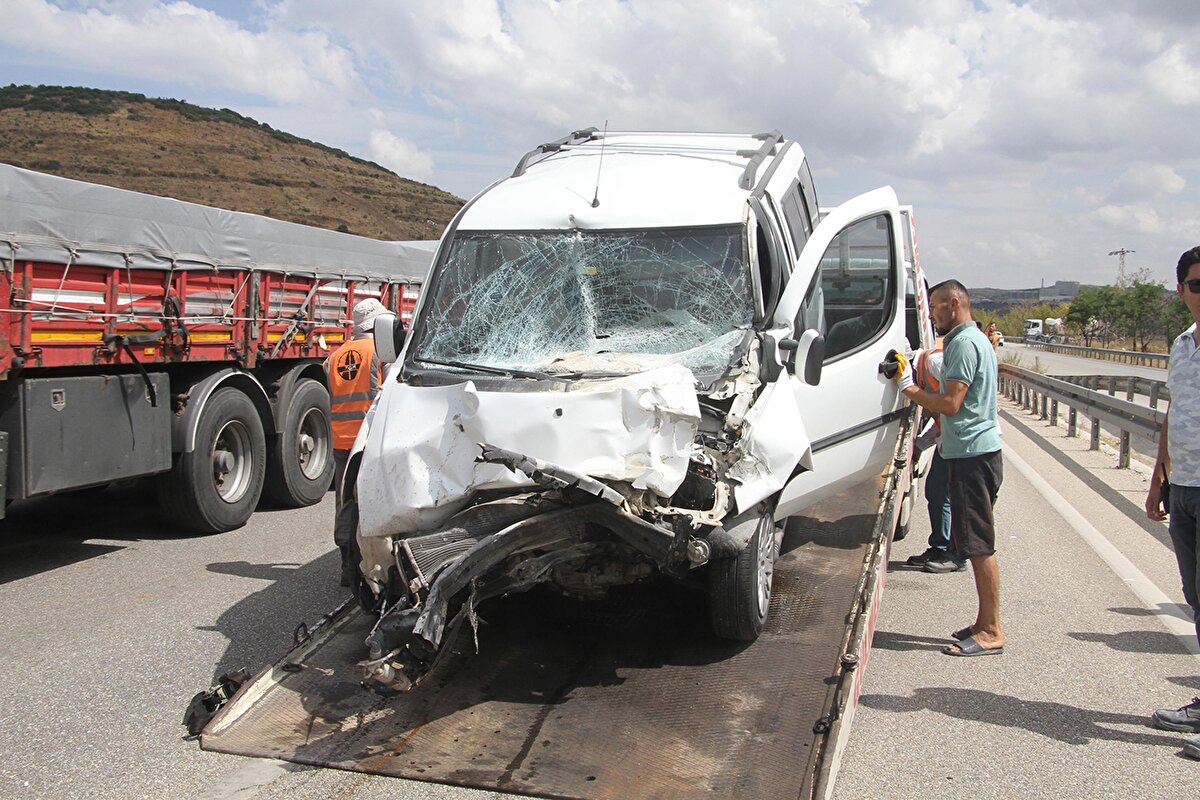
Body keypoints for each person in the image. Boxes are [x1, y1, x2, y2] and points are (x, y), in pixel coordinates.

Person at [891, 280, 1004, 656]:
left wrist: (908, 388)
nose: (932, 316)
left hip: (972, 456)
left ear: (954, 304)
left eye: (936, 307)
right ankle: (983, 622)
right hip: (973, 452)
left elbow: (951, 404)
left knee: (978, 546)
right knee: (974, 542)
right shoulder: (975, 341)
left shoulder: (962, 344)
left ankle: (990, 630)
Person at [1145, 245, 1200, 758]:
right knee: (1196, 597)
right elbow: (1174, 412)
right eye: (1198, 284)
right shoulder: (1183, 345)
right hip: (1184, 486)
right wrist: (1159, 477)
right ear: (1181, 288)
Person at [326, 297, 388, 587]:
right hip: (369, 438)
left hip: (341, 440)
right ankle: (372, 568)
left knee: (345, 502)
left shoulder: (336, 356)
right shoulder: (380, 351)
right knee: (372, 501)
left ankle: (346, 568)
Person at [904, 345, 965, 573]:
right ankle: (941, 547)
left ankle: (954, 553)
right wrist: (920, 444)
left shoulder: (934, 363)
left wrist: (908, 388)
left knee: (948, 495)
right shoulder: (927, 369)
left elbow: (951, 407)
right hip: (950, 441)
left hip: (962, 441)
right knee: (938, 493)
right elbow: (939, 418)